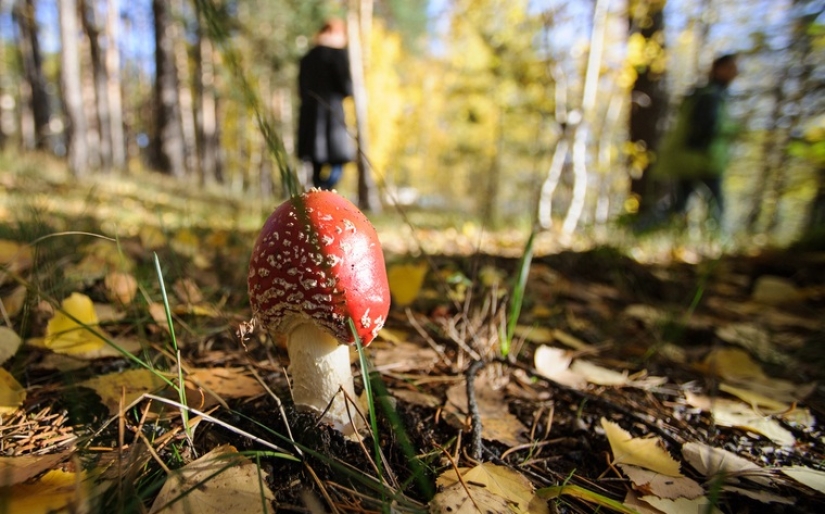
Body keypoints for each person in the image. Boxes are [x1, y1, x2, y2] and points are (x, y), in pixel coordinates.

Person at [647, 53, 740, 229]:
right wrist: (728, 132)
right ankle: (716, 241)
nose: (735, 73)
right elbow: (704, 128)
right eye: (731, 68)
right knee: (715, 203)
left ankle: (644, 229)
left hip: (691, 158)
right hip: (702, 159)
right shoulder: (710, 96)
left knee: (678, 204)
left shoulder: (709, 94)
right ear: (718, 69)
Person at [297, 19, 354, 190]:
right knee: (339, 161)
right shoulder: (338, 55)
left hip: (310, 114)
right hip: (332, 112)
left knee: (316, 162)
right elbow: (346, 87)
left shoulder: (307, 57)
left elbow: (301, 88)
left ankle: (319, 196)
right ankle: (326, 195)